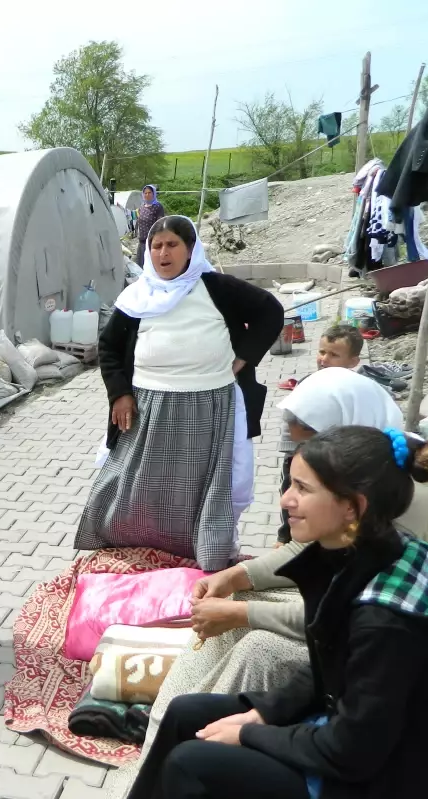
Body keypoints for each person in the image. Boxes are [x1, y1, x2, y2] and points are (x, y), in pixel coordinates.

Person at [105, 425, 428, 799]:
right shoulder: (367, 552)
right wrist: (268, 710)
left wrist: (251, 733)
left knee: (192, 766)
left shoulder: (385, 619)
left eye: (303, 489)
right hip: (364, 733)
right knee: (188, 712)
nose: (286, 500)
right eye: (290, 484)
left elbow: (352, 750)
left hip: (389, 782)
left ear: (354, 507)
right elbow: (332, 663)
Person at [76, 215, 283, 571]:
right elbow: (109, 347)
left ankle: (202, 551)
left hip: (209, 405)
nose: (163, 253)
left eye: (172, 245)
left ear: (190, 249)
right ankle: (133, 546)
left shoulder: (216, 288)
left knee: (204, 484)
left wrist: (243, 357)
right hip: (148, 407)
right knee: (138, 481)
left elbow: (270, 311)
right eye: (156, 246)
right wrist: (120, 394)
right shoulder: (137, 296)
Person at [277, 338, 367, 543]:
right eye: (322, 352)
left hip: (342, 463)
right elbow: (295, 433)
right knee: (293, 500)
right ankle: (287, 539)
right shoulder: (309, 386)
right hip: (303, 458)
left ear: (354, 361)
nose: (324, 359)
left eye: (334, 355)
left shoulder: (358, 389)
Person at [133, 185, 164, 268]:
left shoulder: (158, 206)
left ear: (154, 193)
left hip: (152, 241)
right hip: (142, 241)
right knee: (140, 264)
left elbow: (160, 223)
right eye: (145, 193)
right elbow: (139, 221)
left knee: (151, 265)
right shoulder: (142, 207)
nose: (147, 195)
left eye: (149, 193)